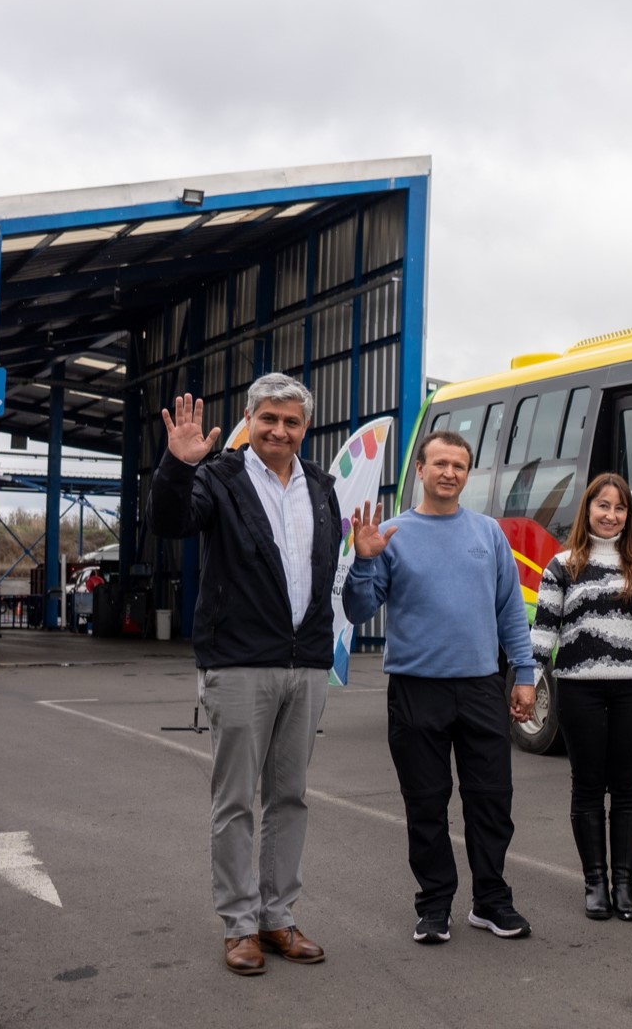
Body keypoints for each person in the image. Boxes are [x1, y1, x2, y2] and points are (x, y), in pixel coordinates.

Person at [146, 374, 342, 977]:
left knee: (290, 798)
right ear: (250, 421)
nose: (279, 431)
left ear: (304, 428)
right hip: (238, 662)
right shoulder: (219, 478)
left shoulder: (322, 487)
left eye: (291, 422)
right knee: (235, 800)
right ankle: (239, 926)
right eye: (269, 419)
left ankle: (277, 918)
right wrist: (177, 467)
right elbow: (170, 522)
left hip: (305, 664)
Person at [341, 430, 538, 945]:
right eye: (440, 463)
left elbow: (510, 610)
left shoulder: (488, 533)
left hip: (480, 686)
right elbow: (359, 610)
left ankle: (492, 901)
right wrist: (363, 562)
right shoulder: (390, 534)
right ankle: (434, 906)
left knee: (491, 800)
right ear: (421, 471)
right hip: (415, 689)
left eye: (460, 465)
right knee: (426, 803)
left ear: (467, 474)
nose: (450, 472)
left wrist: (524, 673)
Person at [531, 473, 632, 922]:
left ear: (629, 516)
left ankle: (625, 886)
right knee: (587, 786)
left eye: (620, 508)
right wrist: (528, 682)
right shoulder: (561, 565)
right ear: (587, 509)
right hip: (579, 687)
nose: (611, 515)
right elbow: (544, 630)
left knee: (628, 787)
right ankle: (595, 883)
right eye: (603, 506)